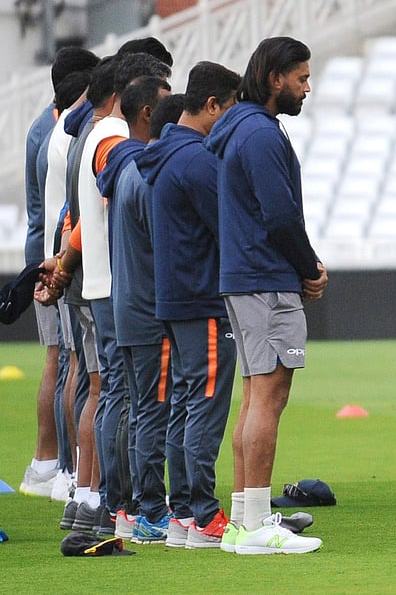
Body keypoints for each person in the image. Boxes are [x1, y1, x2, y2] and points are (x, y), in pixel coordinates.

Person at [209, 36, 325, 554]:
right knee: (269, 396)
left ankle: (244, 520)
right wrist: (309, 268)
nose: (306, 87)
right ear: (275, 78)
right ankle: (256, 526)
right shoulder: (258, 133)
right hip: (266, 276)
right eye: (300, 77)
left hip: (245, 274)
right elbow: (279, 215)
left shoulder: (240, 128)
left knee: (255, 395)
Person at [138, 62, 244, 549]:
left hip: (174, 297)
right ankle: (203, 515)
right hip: (202, 297)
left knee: (184, 403)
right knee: (204, 405)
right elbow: (230, 225)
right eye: (230, 108)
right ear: (212, 106)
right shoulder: (198, 160)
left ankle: (183, 513)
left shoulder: (161, 155)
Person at [20, 47, 99, 502]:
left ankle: (49, 463)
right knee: (68, 362)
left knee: (61, 360)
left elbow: (37, 208)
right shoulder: (62, 129)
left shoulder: (41, 127)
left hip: (45, 253)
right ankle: (63, 468)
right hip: (59, 259)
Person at [99, 75, 172, 540]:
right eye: (168, 106)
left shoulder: (123, 169)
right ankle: (149, 509)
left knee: (135, 407)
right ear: (148, 112)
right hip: (148, 309)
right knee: (152, 411)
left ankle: (124, 506)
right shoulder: (145, 173)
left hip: (126, 304)